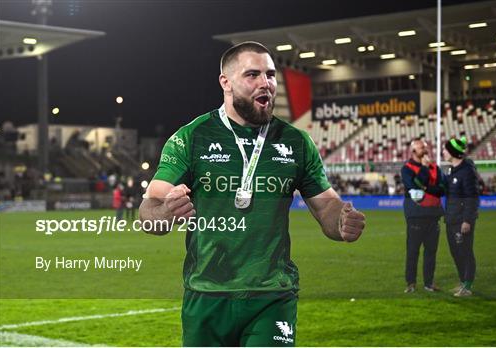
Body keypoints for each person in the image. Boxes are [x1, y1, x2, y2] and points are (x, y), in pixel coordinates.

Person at [139, 41, 366, 346]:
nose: (266, 84)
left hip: (272, 295)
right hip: (207, 294)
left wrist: (340, 220)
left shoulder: (296, 142)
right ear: (226, 82)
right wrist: (165, 212)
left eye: (271, 75)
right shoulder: (191, 137)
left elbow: (326, 206)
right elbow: (148, 211)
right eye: (253, 75)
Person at [400, 139, 445, 293]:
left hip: (433, 215)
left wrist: (426, 187)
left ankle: (429, 282)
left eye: (426, 147)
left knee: (431, 252)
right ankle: (411, 283)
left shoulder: (435, 168)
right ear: (413, 151)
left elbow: (441, 189)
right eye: (421, 148)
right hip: (416, 215)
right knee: (413, 251)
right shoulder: (407, 168)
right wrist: (425, 171)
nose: (425, 150)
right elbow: (413, 186)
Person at [442, 136, 480, 297]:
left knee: (465, 252)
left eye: (445, 150)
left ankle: (468, 285)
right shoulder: (451, 170)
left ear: (452, 152)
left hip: (461, 220)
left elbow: (472, 197)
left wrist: (467, 220)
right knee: (455, 252)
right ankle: (462, 282)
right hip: (450, 218)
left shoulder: (467, 171)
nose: (443, 152)